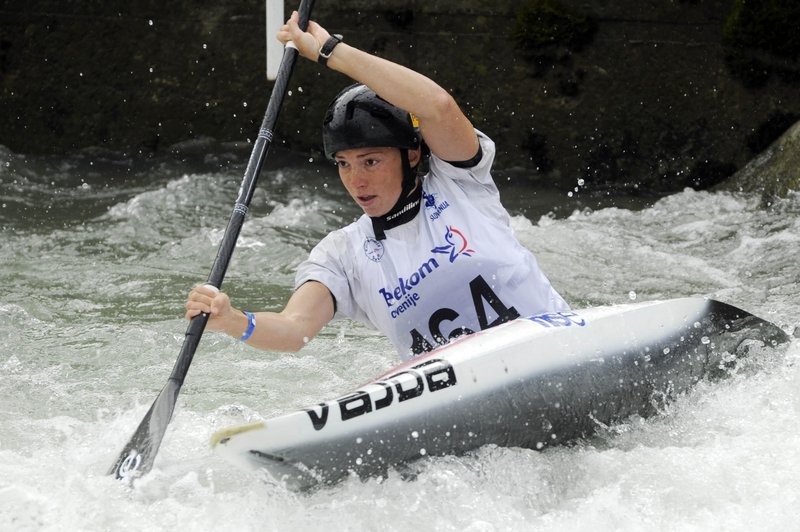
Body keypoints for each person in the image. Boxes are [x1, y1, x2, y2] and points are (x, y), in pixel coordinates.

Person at [185, 11, 569, 361]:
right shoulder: (343, 255)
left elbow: (437, 106)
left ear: (412, 155)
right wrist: (234, 319)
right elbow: (295, 329)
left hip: (553, 350)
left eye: (371, 161)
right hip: (458, 395)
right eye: (344, 165)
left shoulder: (460, 183)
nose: (357, 180)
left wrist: (330, 52)